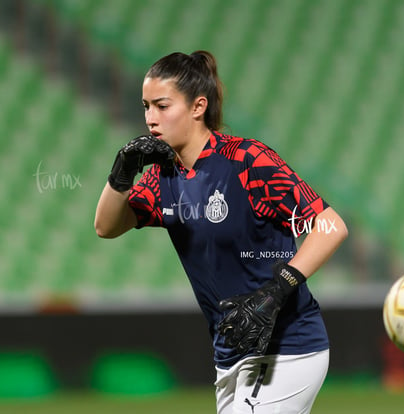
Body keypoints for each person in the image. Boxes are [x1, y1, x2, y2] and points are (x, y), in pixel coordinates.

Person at [94, 50, 348, 413]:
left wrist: (277, 289)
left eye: (162, 106)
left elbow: (331, 226)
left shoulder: (248, 161)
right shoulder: (162, 177)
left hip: (286, 348)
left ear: (198, 107)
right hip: (230, 355)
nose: (151, 118)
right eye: (146, 106)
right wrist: (121, 173)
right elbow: (106, 226)